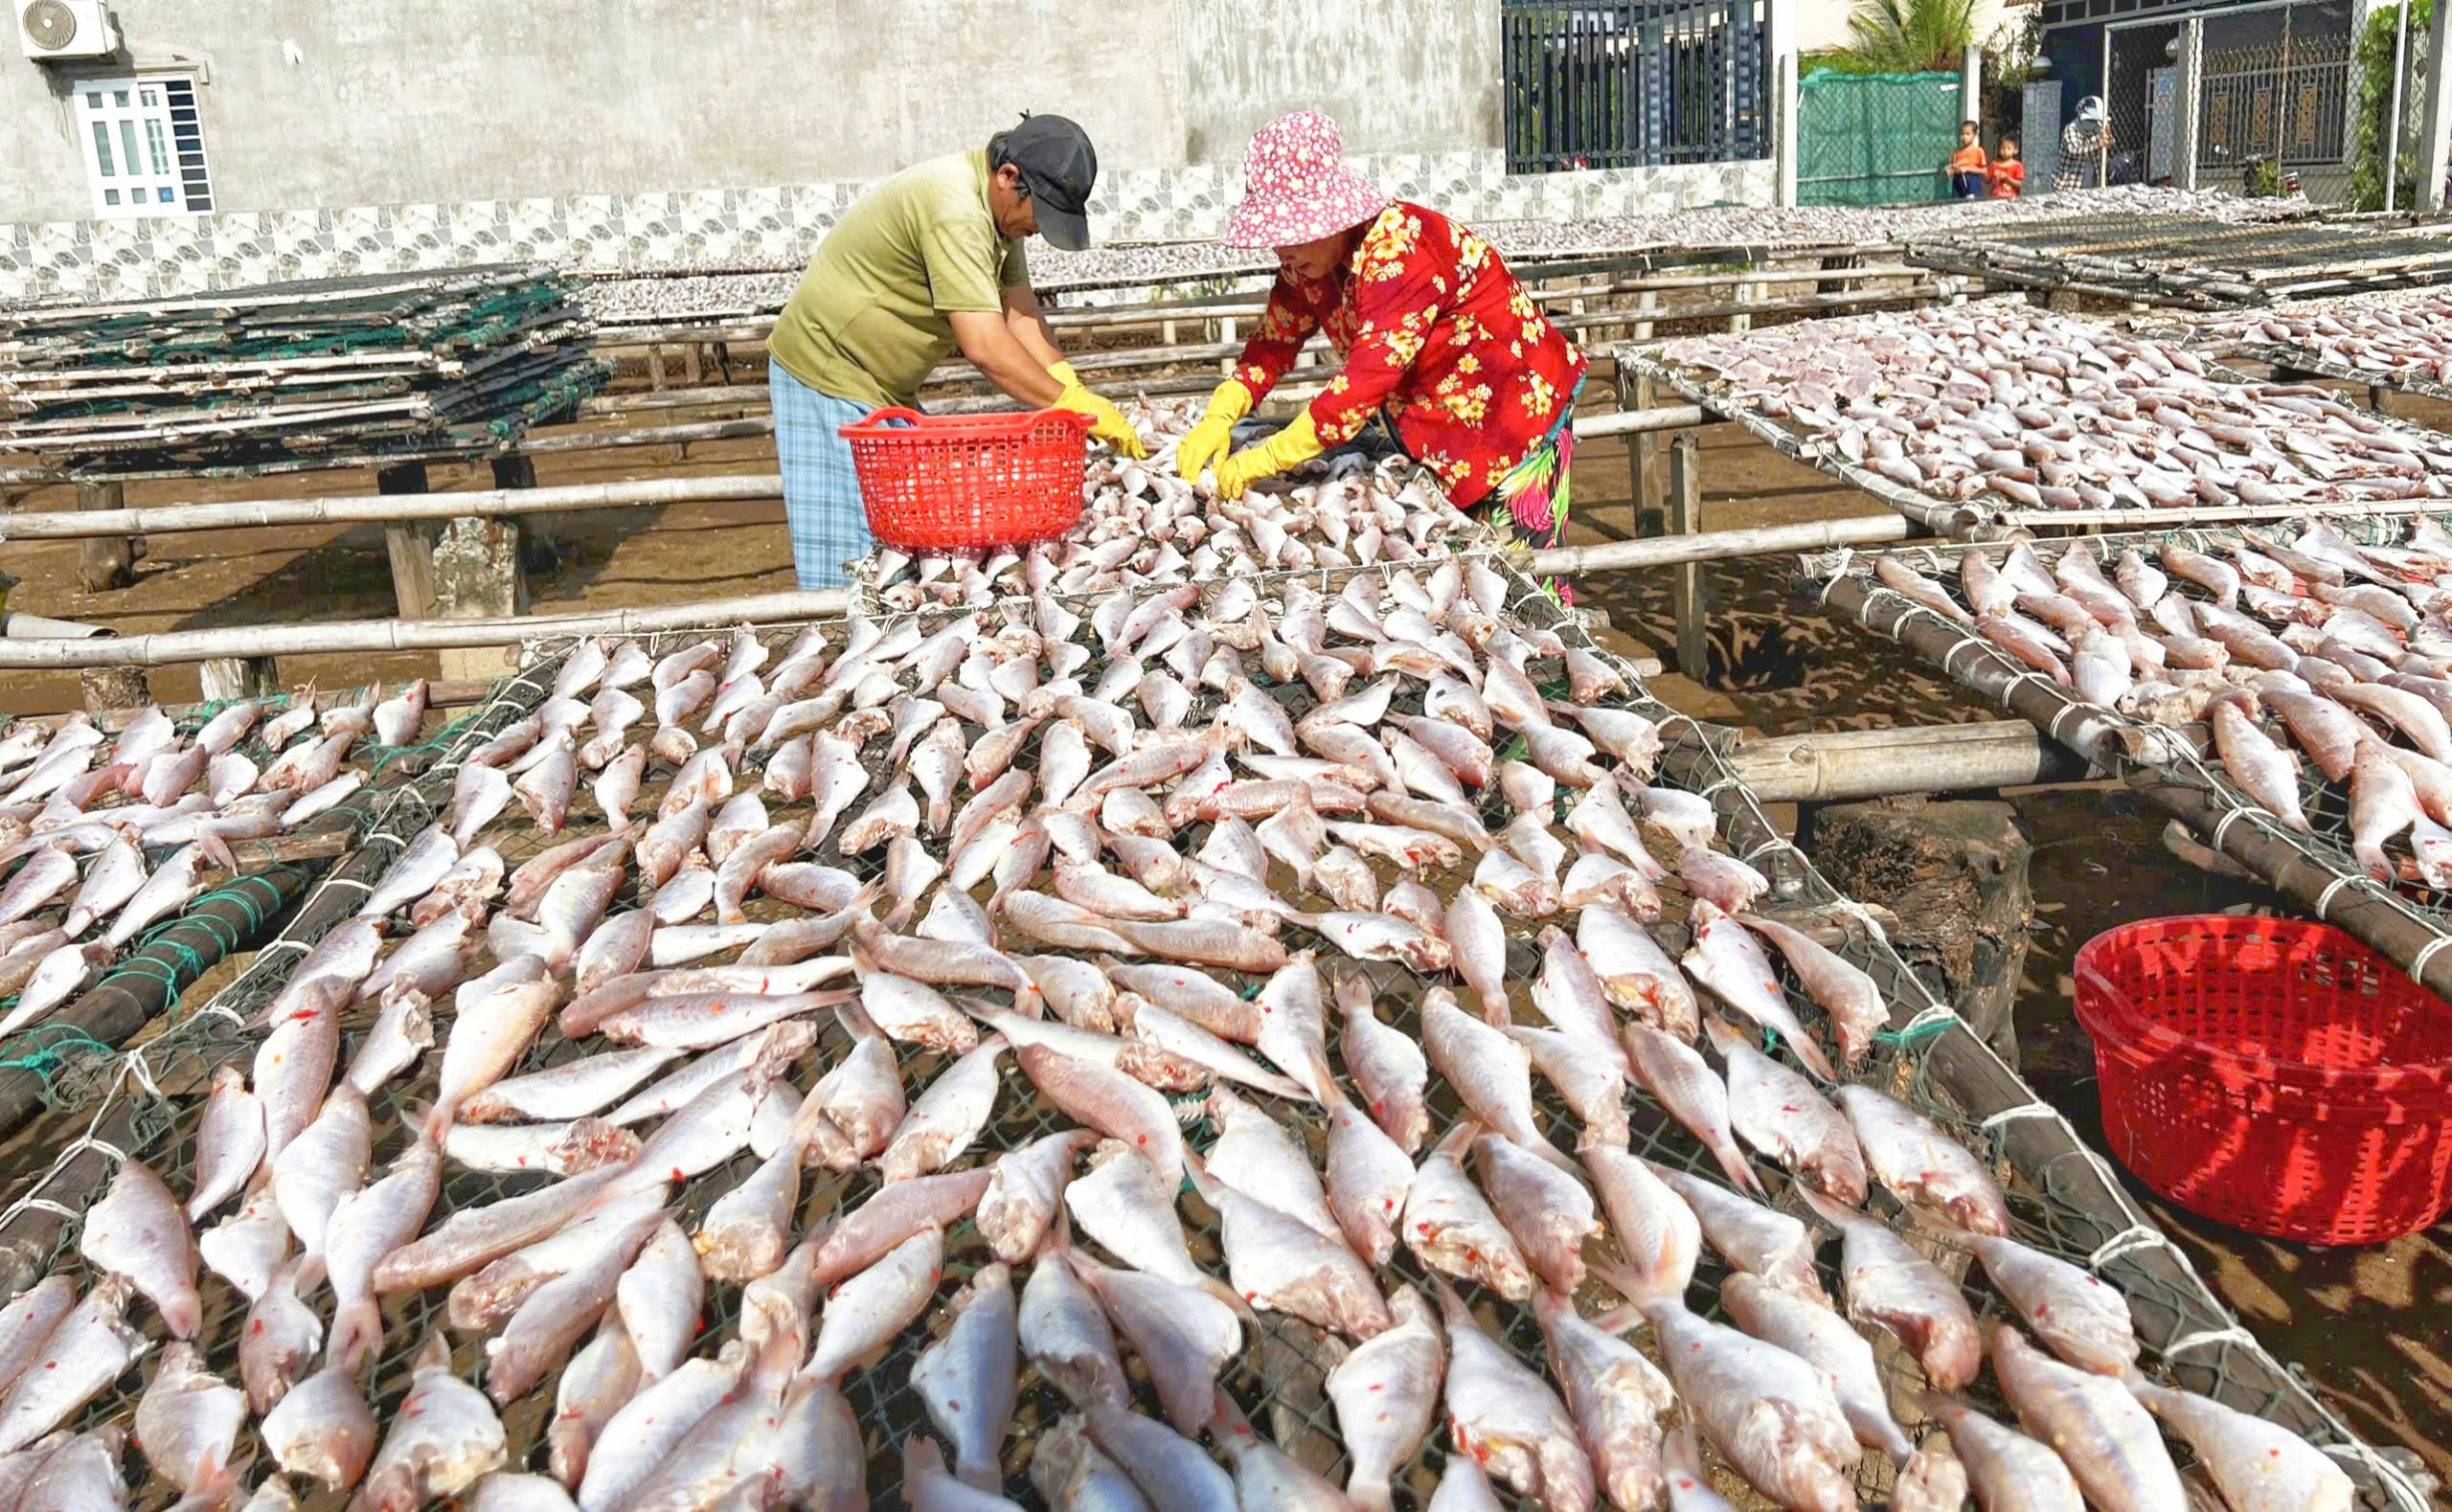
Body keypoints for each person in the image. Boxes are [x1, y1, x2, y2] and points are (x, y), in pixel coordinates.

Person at [1176, 111, 1589, 597]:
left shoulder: (1403, 249)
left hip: (1513, 414)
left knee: (1522, 583)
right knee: (1465, 573)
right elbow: (1272, 344)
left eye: (1292, 233)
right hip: (1437, 425)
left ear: (1332, 216)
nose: (1281, 250)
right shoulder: (1307, 263)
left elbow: (1364, 383)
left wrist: (1265, 457)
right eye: (1275, 237)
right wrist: (1220, 414)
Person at [764, 114, 1145, 589]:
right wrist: (1068, 406)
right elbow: (985, 346)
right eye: (1042, 215)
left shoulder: (1000, 218)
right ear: (1008, 177)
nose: (1038, 229)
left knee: (907, 533)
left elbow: (1019, 312)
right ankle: (839, 629)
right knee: (855, 558)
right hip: (827, 370)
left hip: (882, 384)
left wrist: (1071, 387)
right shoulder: (956, 210)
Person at [2055, 97, 2112, 192]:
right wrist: (2099, 144)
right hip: (2069, 185)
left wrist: (2108, 136)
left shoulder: (2095, 129)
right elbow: (2074, 150)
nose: (2093, 123)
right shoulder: (2071, 129)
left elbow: (2107, 145)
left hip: (2091, 183)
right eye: (2091, 121)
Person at [1949, 121, 1987, 199]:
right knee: (1956, 202)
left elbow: (1984, 170)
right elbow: (1952, 168)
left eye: (1968, 134)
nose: (1964, 137)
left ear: (1975, 135)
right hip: (1958, 181)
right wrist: (1951, 171)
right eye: (1962, 134)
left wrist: (1967, 169)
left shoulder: (1978, 151)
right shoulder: (1956, 152)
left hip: (1971, 180)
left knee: (1971, 201)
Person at [1987, 133, 2026, 198]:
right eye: (2003, 148)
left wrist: (2007, 178)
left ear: (2015, 150)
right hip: (1995, 198)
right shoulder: (1993, 164)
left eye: (2009, 148)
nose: (2005, 151)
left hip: (2010, 199)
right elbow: (1987, 181)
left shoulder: (2017, 166)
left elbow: (2019, 183)